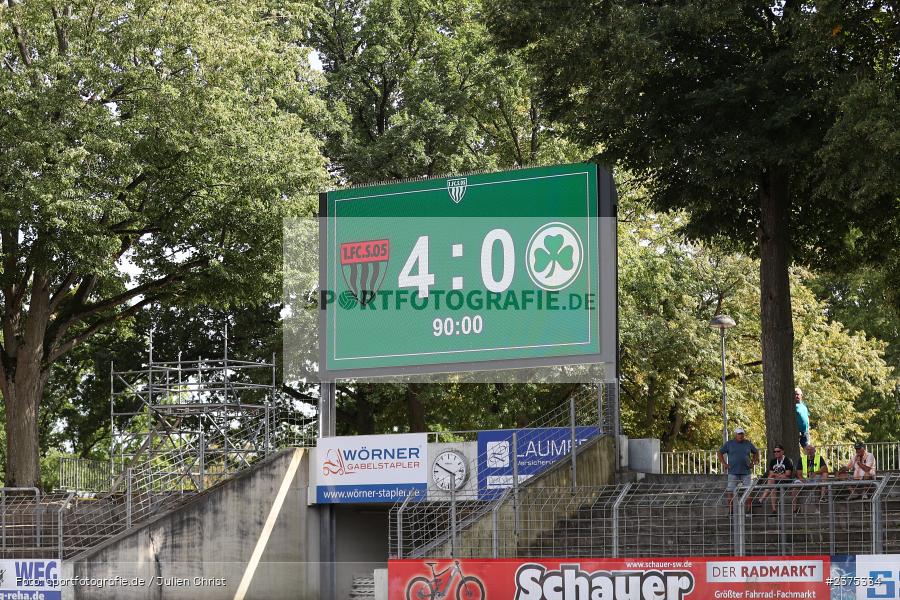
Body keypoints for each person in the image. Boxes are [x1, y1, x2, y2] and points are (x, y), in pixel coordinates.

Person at [718, 427, 760, 512]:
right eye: (739, 434)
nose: (741, 436)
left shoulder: (748, 443)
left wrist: (753, 462)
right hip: (733, 471)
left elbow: (756, 452)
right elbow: (720, 452)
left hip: (746, 471)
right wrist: (724, 463)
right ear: (735, 435)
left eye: (742, 434)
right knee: (730, 491)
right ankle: (731, 510)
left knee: (748, 491)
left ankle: (749, 509)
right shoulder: (729, 443)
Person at [759, 444, 794, 515]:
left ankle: (761, 499)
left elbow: (787, 474)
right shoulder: (773, 461)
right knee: (772, 485)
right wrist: (777, 476)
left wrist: (776, 475)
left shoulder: (788, 461)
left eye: (778, 451)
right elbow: (771, 474)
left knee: (772, 482)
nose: (776, 453)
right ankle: (774, 510)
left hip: (786, 481)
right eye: (774, 452)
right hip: (775, 481)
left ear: (782, 452)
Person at [794, 443, 828, 511]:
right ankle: (795, 508)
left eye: (811, 450)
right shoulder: (802, 459)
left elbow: (825, 469)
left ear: (815, 451)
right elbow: (799, 473)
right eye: (808, 450)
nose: (810, 451)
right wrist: (804, 481)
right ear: (805, 451)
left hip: (815, 478)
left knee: (824, 474)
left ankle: (822, 497)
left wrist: (816, 472)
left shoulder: (819, 458)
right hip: (804, 479)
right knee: (795, 487)